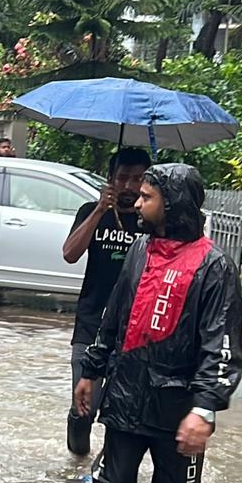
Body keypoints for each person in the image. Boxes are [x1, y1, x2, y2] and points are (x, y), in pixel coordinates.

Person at [74, 163, 242, 483]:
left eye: (147, 197)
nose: (136, 203)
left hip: (178, 411)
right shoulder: (139, 249)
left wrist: (204, 410)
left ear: (173, 204)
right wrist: (91, 371)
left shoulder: (214, 266)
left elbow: (222, 346)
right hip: (124, 399)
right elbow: (113, 318)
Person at [62, 148, 151, 455]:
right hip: (91, 324)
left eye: (137, 179)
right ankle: (76, 462)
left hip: (133, 330)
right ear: (111, 178)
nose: (129, 186)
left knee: (122, 414)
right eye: (123, 177)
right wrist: (100, 210)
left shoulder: (149, 220)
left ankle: (107, 472)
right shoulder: (90, 211)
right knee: (84, 408)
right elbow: (70, 254)